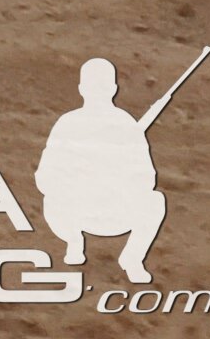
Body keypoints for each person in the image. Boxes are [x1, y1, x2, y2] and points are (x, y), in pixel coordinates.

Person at [36, 57, 172, 284]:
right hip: (83, 212)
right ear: (113, 89)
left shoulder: (121, 125)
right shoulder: (73, 123)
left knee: (155, 200)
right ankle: (75, 241)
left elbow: (146, 178)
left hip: (105, 212)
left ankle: (129, 258)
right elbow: (46, 176)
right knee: (154, 201)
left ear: (82, 89)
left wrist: (113, 179)